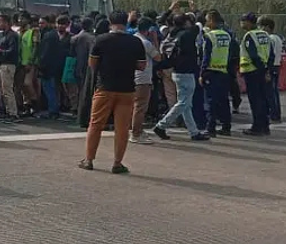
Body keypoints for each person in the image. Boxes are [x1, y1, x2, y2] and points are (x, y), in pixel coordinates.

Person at [79, 11, 146, 173]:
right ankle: (117, 163)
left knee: (95, 124)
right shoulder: (135, 41)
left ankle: (89, 159)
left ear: (110, 22)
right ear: (126, 22)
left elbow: (92, 63)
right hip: (127, 89)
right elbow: (141, 66)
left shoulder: (101, 40)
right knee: (122, 128)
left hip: (105, 87)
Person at [153, 13, 210, 141]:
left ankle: (194, 132)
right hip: (187, 72)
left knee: (186, 104)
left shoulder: (172, 34)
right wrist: (193, 12)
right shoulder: (187, 35)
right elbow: (198, 25)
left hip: (176, 71)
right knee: (183, 103)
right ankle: (161, 126)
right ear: (185, 23)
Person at [239, 12, 273, 136]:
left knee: (255, 100)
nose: (241, 23)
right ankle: (265, 126)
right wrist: (267, 70)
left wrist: (262, 70)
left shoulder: (249, 36)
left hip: (253, 71)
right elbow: (271, 54)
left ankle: (257, 126)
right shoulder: (265, 35)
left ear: (249, 22)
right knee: (263, 99)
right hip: (263, 70)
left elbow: (253, 55)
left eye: (243, 21)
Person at [200, 10, 233, 136]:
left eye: (208, 20)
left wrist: (202, 73)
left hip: (211, 71)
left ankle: (210, 128)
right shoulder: (227, 35)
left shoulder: (209, 36)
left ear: (212, 21)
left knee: (210, 101)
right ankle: (226, 126)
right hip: (223, 71)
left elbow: (206, 57)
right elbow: (230, 54)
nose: (206, 22)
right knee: (224, 100)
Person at [130, 17, 162, 144]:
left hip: (132, 76)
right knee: (140, 106)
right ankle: (136, 133)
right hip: (143, 78)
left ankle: (136, 129)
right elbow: (158, 57)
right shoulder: (146, 43)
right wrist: (155, 40)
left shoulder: (132, 39)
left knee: (134, 106)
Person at [0, 14, 21, 123]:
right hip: (0, 63)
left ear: (6, 23)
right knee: (2, 90)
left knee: (8, 90)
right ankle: (5, 110)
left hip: (8, 64)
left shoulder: (12, 36)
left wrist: (0, 51)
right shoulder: (1, 35)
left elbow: (12, 51)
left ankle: (13, 113)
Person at [258, 16, 283, 123]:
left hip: (271, 66)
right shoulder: (277, 38)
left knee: (269, 92)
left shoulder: (269, 38)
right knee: (274, 91)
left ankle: (273, 114)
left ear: (267, 27)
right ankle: (276, 113)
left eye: (261, 26)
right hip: (277, 65)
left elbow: (269, 53)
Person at [15, 11, 39, 114]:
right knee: (21, 86)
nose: (20, 20)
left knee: (27, 83)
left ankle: (35, 104)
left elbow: (35, 47)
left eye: (22, 18)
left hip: (29, 62)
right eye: (19, 18)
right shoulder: (18, 31)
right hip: (20, 62)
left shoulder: (33, 31)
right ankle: (27, 105)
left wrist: (31, 61)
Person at [38, 15, 61, 119]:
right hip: (52, 66)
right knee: (51, 88)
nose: (40, 25)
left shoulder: (48, 36)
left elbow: (45, 53)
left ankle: (53, 110)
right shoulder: (53, 34)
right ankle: (53, 109)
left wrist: (41, 65)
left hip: (47, 67)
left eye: (42, 23)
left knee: (49, 89)